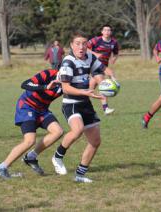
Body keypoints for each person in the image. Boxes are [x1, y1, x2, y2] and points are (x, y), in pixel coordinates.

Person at [52, 31, 116, 183]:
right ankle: (57, 156)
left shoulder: (90, 57)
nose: (81, 47)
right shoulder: (68, 61)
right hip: (71, 103)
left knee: (95, 141)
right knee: (77, 130)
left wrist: (110, 80)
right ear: (72, 46)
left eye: (84, 44)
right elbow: (66, 88)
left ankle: (80, 174)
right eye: (77, 44)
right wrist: (84, 91)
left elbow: (100, 71)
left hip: (85, 103)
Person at [0, 69, 63, 179]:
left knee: (58, 131)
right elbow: (25, 84)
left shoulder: (69, 82)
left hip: (42, 110)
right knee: (29, 140)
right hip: (27, 107)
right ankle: (1, 167)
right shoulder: (49, 73)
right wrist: (45, 87)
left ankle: (31, 157)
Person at [87, 24, 119, 115]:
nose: (107, 32)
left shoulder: (114, 42)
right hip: (93, 64)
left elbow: (116, 53)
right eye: (105, 30)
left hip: (104, 66)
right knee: (103, 84)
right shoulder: (96, 40)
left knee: (90, 89)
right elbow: (85, 48)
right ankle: (106, 108)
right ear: (102, 32)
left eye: (109, 30)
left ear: (111, 32)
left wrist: (114, 59)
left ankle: (80, 103)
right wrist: (95, 54)